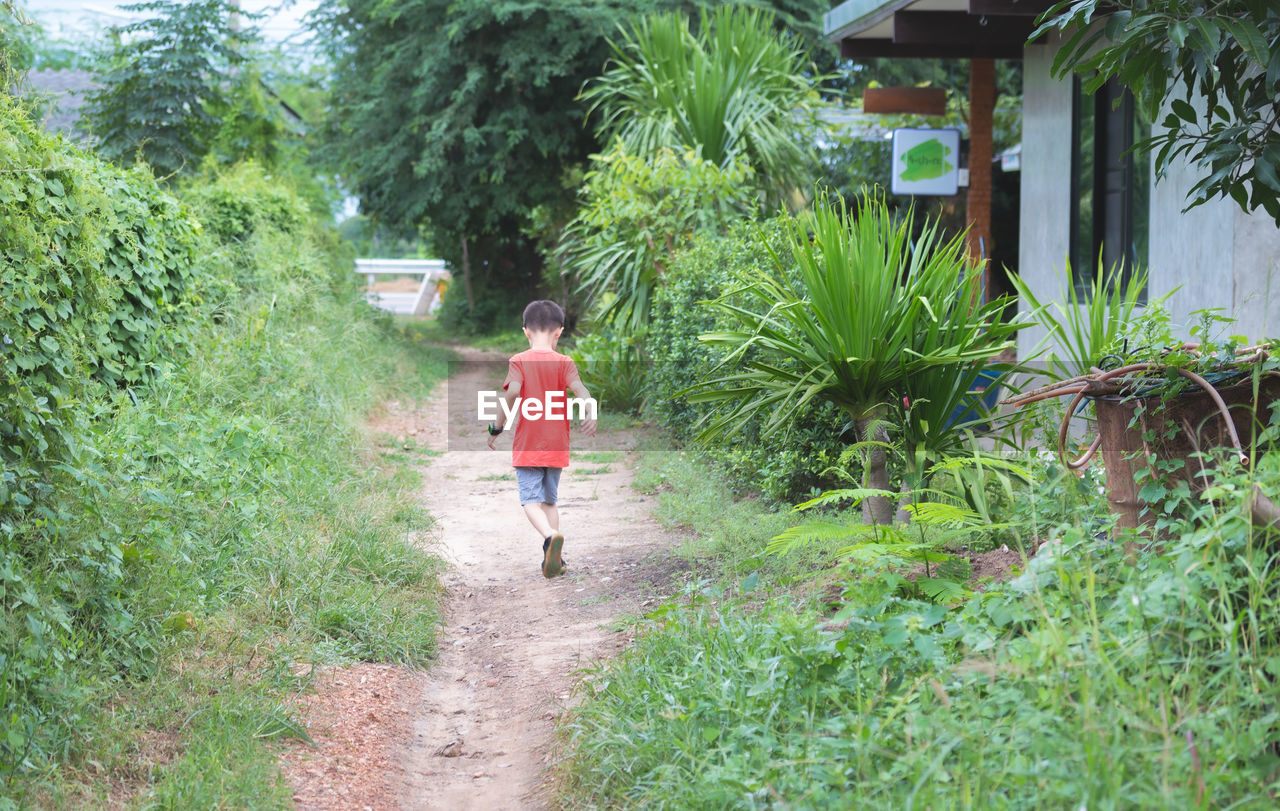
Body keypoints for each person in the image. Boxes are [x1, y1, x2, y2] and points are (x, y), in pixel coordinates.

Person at [486, 300, 597, 577]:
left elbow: (511, 394)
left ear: (526, 332)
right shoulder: (565, 363)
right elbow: (581, 390)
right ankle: (556, 558)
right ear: (559, 332)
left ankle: (549, 537)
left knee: (530, 501)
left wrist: (497, 427)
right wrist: (590, 410)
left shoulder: (519, 361)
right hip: (557, 446)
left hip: (529, 445)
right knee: (550, 501)